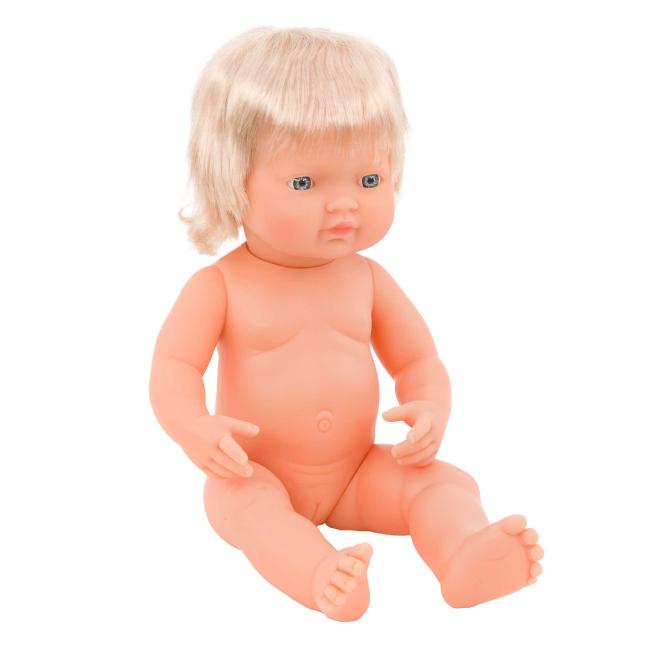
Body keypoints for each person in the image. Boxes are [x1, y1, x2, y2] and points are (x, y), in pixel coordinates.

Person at [149, 26, 543, 622]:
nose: (345, 204)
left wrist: (430, 409)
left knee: (442, 481)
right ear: (232, 179)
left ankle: (462, 553)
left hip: (357, 472)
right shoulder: (220, 286)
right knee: (254, 514)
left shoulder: (368, 279)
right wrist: (194, 428)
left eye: (369, 180)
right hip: (254, 473)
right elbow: (173, 368)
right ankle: (319, 574)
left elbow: (418, 361)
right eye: (304, 183)